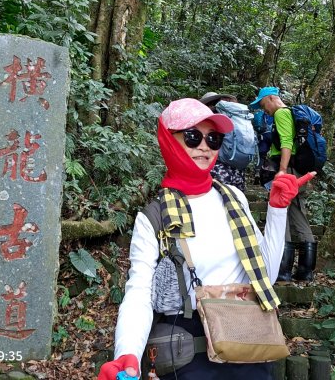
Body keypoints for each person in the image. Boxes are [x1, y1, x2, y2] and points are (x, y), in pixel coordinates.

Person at [98, 98, 315, 380]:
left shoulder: (233, 198)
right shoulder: (154, 217)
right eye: (192, 136)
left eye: (213, 138)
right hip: (189, 350)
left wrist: (277, 210)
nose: (204, 146)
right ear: (169, 141)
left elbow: (266, 275)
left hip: (249, 338)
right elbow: (138, 292)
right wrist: (127, 353)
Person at [250, 87, 317, 283]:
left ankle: (283, 269)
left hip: (287, 170)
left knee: (283, 215)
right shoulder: (291, 114)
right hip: (298, 169)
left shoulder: (281, 114)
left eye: (264, 105)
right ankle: (306, 271)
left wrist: (281, 169)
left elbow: (286, 142)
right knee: (297, 212)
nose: (265, 110)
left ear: (272, 99)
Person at [199, 92, 247, 192]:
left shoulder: (211, 121)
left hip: (219, 171)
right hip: (238, 171)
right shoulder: (233, 117)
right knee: (237, 203)